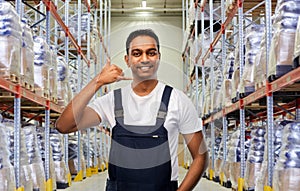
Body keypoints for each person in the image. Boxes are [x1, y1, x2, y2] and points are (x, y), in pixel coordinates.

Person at [56, 28, 208, 191]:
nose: (144, 59)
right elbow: (64, 126)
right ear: (127, 60)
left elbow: (200, 156)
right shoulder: (112, 101)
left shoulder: (177, 100)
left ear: (158, 58)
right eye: (137, 53)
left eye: (151, 53)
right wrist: (97, 82)